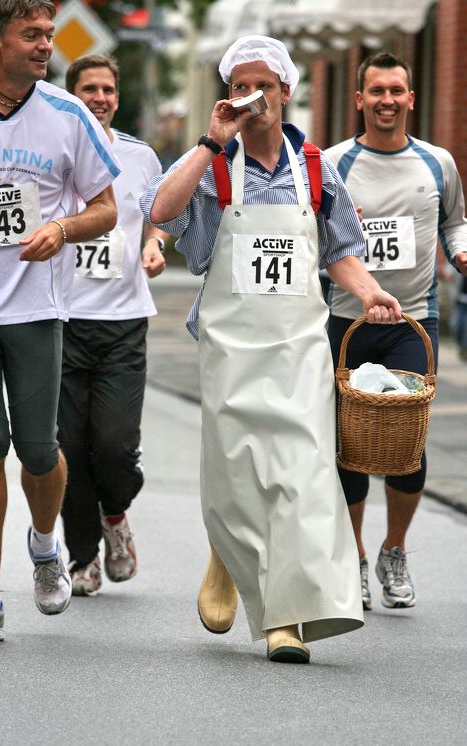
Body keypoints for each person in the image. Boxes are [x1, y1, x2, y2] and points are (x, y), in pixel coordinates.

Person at [140, 35, 402, 664]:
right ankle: (226, 556)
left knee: (301, 475)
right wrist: (209, 142)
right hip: (231, 344)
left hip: (299, 344)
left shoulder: (315, 167)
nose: (252, 97)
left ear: (286, 93)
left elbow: (339, 251)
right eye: (239, 85)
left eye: (265, 85)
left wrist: (370, 294)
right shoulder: (214, 165)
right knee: (235, 475)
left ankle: (287, 619)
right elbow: (161, 210)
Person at [0, 0, 120, 644]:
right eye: (31, 34)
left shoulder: (68, 115)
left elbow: (107, 209)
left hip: (38, 304)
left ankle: (45, 545)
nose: (45, 45)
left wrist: (61, 227)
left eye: (48, 34)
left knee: (38, 449)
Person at [325, 52, 467, 612]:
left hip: (413, 320)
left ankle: (394, 549)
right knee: (351, 444)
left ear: (411, 99)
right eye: (376, 91)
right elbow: (311, 236)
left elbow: (455, 218)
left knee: (408, 444)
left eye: (396, 91)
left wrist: (459, 250)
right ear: (359, 100)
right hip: (346, 318)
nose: (387, 100)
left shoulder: (437, 163)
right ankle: (355, 556)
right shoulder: (335, 164)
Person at [58, 54, 168, 596]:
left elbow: (159, 216)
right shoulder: (51, 152)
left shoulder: (141, 157)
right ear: (70, 95)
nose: (99, 97)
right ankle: (82, 559)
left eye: (107, 89)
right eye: (88, 89)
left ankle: (116, 515)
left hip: (123, 321)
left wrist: (153, 243)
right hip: (58, 319)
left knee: (116, 445)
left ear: (117, 98)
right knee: (67, 448)